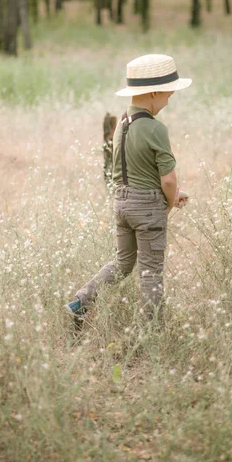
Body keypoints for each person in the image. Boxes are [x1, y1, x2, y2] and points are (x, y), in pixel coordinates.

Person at [64, 53, 191, 320]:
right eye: (168, 94)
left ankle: (79, 303)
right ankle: (151, 335)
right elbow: (167, 179)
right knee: (151, 271)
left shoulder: (121, 125)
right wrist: (168, 201)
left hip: (122, 203)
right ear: (154, 93)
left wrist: (165, 196)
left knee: (123, 263)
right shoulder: (156, 129)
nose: (169, 100)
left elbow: (131, 172)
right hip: (147, 207)